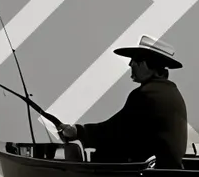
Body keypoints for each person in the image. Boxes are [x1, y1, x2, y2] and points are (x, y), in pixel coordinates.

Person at [55, 35, 188, 168]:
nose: (130, 64)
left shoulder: (146, 95)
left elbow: (114, 130)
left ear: (147, 65)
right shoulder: (170, 92)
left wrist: (78, 132)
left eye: (135, 60)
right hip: (163, 171)